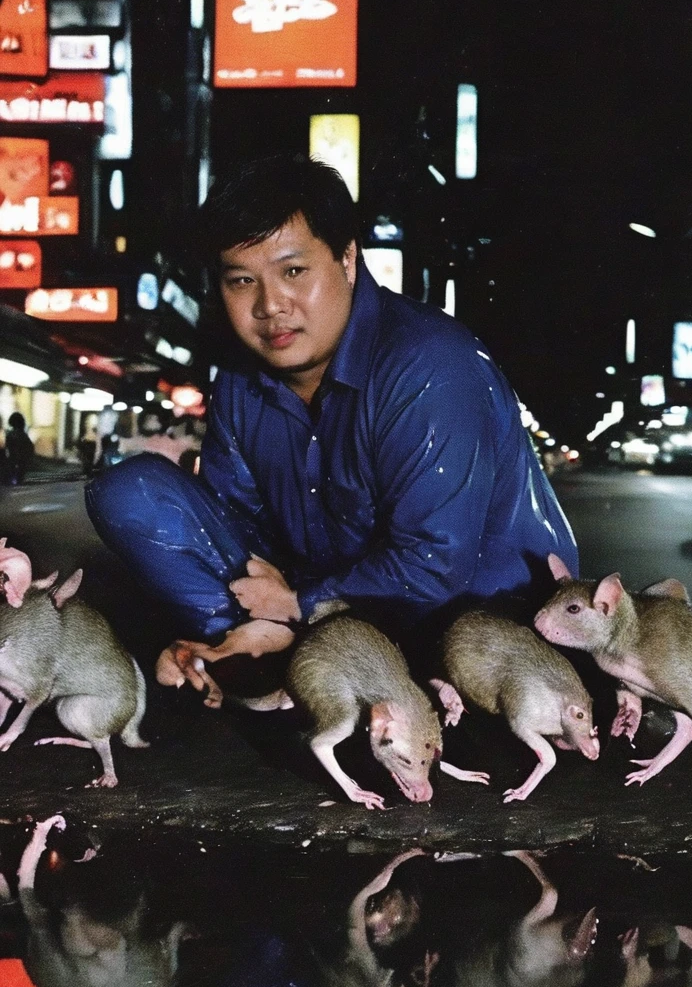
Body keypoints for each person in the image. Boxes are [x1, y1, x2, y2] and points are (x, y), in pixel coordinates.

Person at [85, 152, 578, 707]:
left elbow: (435, 564)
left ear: (347, 259)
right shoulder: (242, 385)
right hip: (334, 611)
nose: (271, 305)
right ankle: (261, 656)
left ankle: (308, 664)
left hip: (473, 621)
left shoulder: (429, 363)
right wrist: (261, 603)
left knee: (453, 631)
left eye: (294, 271)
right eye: (242, 280)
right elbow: (238, 528)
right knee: (131, 491)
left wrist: (298, 601)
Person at [4, 411, 34, 485]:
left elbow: (8, 448)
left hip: (13, 461)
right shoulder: (23, 435)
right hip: (22, 461)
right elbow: (30, 447)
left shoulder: (10, 435)